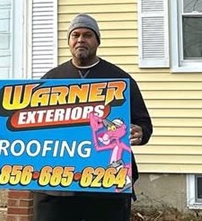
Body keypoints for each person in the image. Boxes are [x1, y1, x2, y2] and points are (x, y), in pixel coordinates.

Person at [33, 13, 154, 221]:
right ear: (69, 42)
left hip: (105, 189)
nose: (81, 39)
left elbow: (144, 125)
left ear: (97, 41)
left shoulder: (120, 80)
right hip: (56, 190)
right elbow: (32, 124)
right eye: (75, 35)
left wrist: (140, 132)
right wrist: (6, 136)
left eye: (87, 35)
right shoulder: (50, 80)